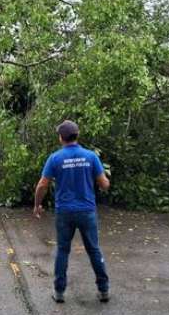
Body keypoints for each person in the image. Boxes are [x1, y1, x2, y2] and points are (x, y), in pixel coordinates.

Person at [33, 120, 111, 303]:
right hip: (87, 212)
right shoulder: (91, 157)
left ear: (61, 138)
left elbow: (42, 185)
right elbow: (104, 184)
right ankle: (104, 290)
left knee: (62, 250)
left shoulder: (55, 158)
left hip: (64, 213)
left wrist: (37, 205)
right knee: (94, 250)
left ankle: (59, 292)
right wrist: (105, 180)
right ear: (77, 135)